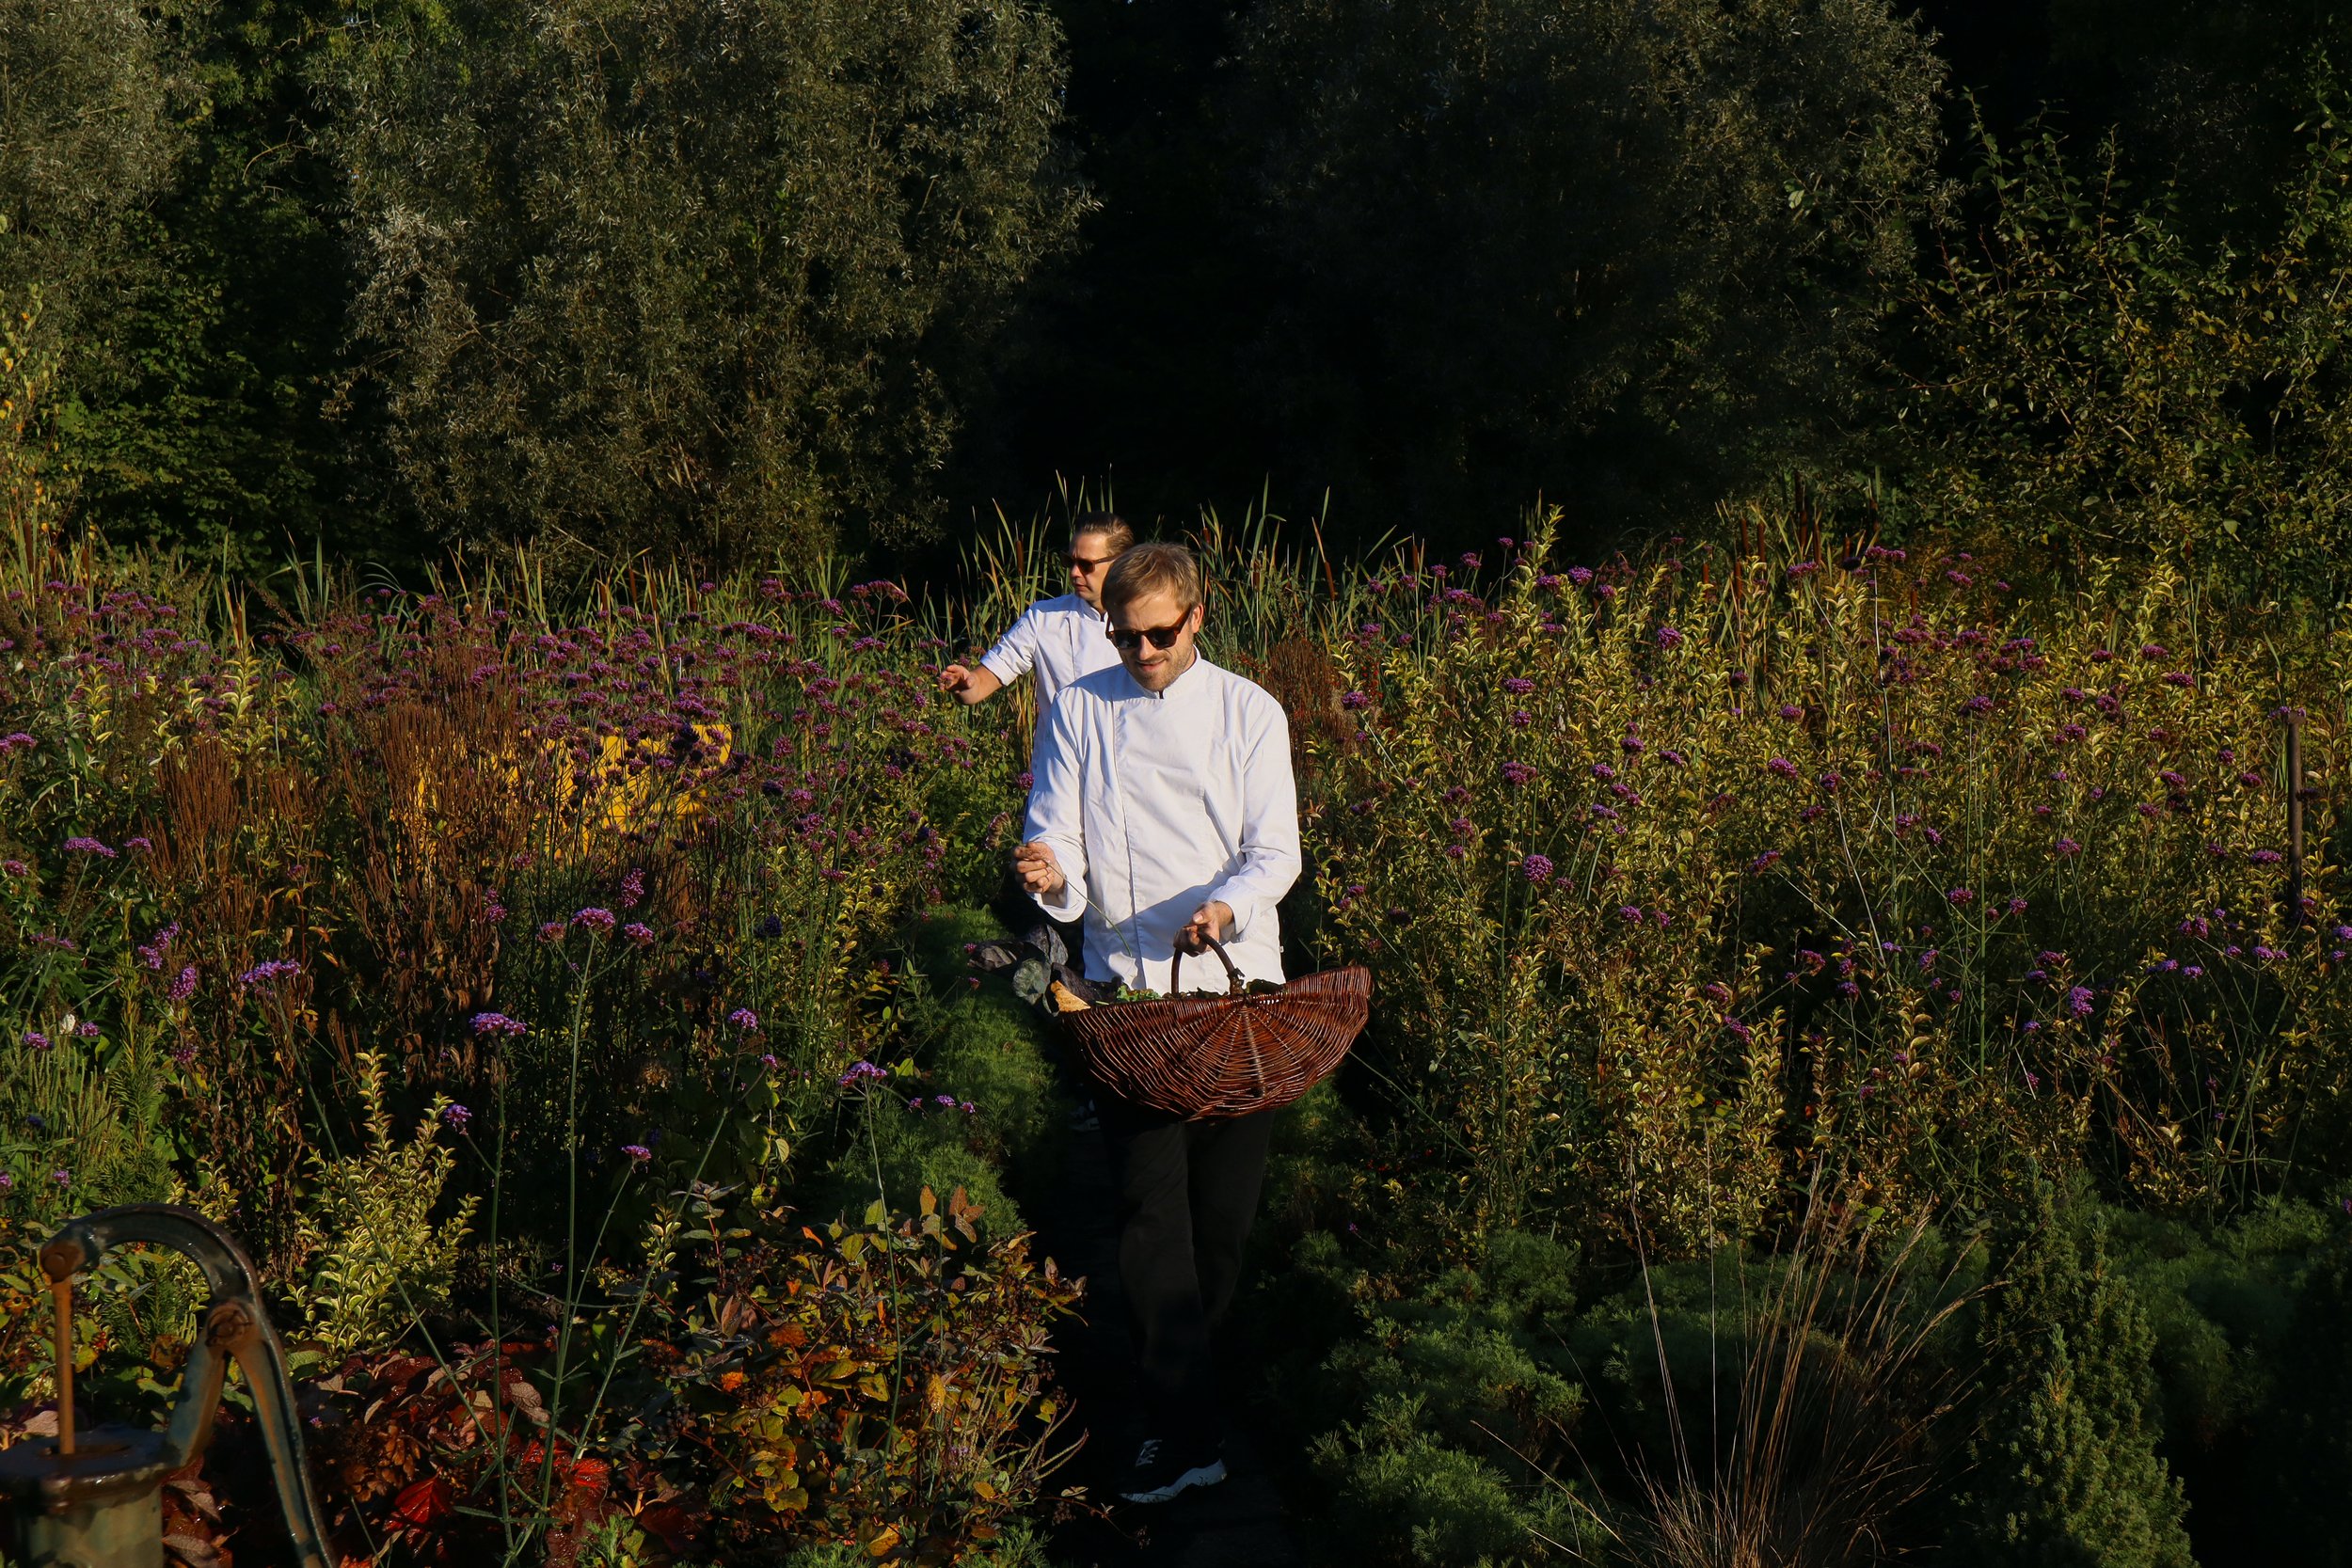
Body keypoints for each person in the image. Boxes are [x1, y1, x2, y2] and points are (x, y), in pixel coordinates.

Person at [1013, 542, 1302, 1505]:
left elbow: (1275, 849)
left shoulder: (1248, 711)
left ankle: (1190, 1402)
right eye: (1124, 633)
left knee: (1218, 1227)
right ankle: (1181, 1433)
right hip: (1129, 1001)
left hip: (1235, 995)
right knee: (1147, 1218)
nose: (1141, 650)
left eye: (1159, 633)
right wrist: (1050, 869)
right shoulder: (1079, 708)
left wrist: (1223, 907)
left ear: (1198, 615)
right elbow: (1057, 825)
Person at [938, 512, 1133, 713]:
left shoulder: (1148, 621)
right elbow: (981, 682)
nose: (1074, 573)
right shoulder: (1044, 617)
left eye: (1085, 565)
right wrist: (965, 684)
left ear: (1120, 563)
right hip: (1059, 745)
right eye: (1069, 561)